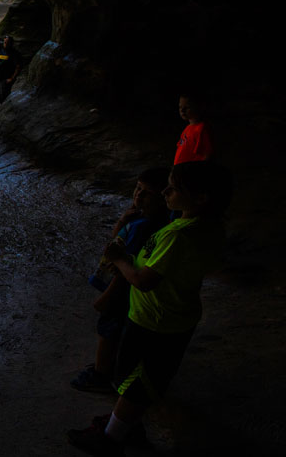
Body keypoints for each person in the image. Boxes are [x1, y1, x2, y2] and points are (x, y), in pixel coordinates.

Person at [67, 161, 232, 456]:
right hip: (175, 316)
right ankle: (124, 424)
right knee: (141, 378)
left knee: (134, 381)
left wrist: (119, 259)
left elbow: (143, 281)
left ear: (201, 197)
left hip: (154, 320)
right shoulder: (206, 226)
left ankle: (112, 438)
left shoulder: (178, 235)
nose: (166, 191)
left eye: (174, 188)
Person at [71, 167, 171, 394]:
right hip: (126, 286)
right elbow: (117, 243)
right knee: (117, 328)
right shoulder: (139, 218)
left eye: (147, 193)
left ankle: (101, 373)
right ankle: (112, 366)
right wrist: (122, 221)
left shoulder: (146, 228)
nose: (138, 196)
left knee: (109, 328)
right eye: (137, 189)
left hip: (123, 288)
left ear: (163, 199)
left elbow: (125, 264)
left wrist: (107, 297)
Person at [175, 93, 213, 164]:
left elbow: (207, 154)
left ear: (198, 107)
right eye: (180, 107)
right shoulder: (187, 128)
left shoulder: (201, 129)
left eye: (187, 107)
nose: (182, 110)